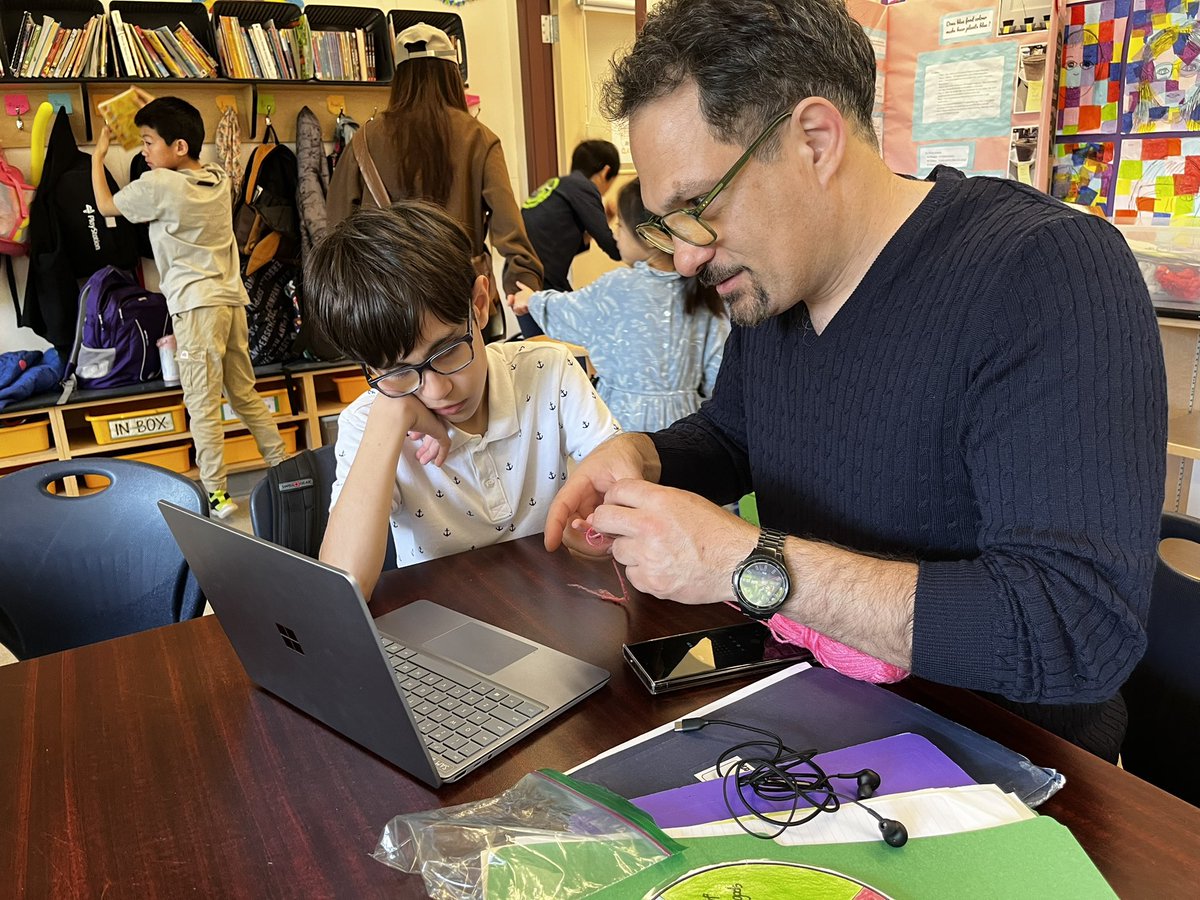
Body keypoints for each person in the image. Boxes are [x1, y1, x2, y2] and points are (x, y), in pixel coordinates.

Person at [546, 0, 1167, 761]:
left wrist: (745, 563)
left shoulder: (1046, 273)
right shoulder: (774, 285)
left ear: (814, 139)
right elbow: (735, 434)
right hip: (813, 730)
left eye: (698, 207)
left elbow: (1074, 629)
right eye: (666, 224)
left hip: (1009, 775)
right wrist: (643, 456)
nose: (684, 258)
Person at [305, 202, 620, 598]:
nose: (437, 390)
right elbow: (343, 588)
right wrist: (389, 417)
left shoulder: (548, 372)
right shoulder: (368, 420)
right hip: (445, 631)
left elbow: (620, 479)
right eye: (399, 371)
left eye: (449, 350)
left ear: (480, 304)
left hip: (551, 610)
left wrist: (596, 530)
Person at [91, 96, 287, 519]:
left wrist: (99, 156)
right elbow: (180, 147)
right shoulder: (218, 179)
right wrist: (155, 109)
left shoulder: (161, 185)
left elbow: (107, 207)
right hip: (232, 302)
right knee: (244, 393)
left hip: (196, 309)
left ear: (178, 146)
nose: (143, 151)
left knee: (201, 403)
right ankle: (284, 466)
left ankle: (216, 493)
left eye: (147, 142)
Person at [325, 22, 542, 340]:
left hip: (389, 305)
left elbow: (336, 227)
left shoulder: (364, 140)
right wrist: (523, 286)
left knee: (402, 388)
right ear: (453, 75)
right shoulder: (480, 139)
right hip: (462, 299)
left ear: (399, 79)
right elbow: (509, 228)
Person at [508, 178, 729, 432]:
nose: (614, 232)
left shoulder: (617, 287)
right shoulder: (704, 291)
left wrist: (532, 301)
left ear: (648, 235)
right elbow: (717, 372)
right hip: (685, 425)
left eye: (620, 225)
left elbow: (567, 310)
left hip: (620, 422)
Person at [518, 140, 622, 336]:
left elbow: (566, 244)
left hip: (521, 279)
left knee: (550, 353)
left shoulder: (559, 186)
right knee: (569, 351)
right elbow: (613, 248)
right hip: (541, 283)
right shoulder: (584, 187)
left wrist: (605, 219)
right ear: (606, 171)